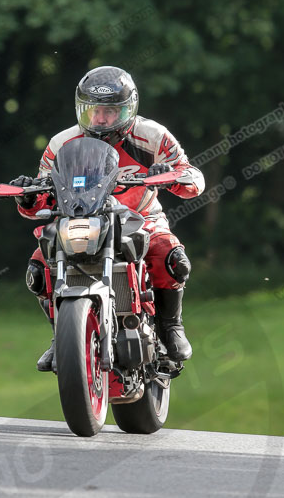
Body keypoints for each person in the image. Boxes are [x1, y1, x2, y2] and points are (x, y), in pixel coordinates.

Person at [11, 65, 205, 371]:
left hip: (140, 217)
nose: (100, 119)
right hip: (79, 218)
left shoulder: (152, 136)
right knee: (38, 267)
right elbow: (39, 201)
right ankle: (61, 336)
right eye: (93, 110)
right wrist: (27, 195)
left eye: (110, 111)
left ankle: (170, 327)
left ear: (128, 109)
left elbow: (193, 178)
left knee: (172, 257)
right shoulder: (62, 143)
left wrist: (169, 175)